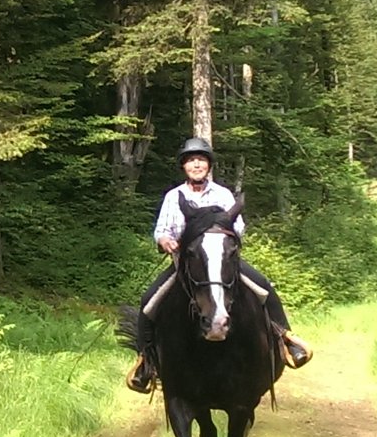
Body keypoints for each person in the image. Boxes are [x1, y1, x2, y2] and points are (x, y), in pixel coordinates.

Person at [126, 136, 312, 393]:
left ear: (209, 165)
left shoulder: (223, 194)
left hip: (223, 264)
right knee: (149, 301)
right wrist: (165, 241)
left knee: (264, 287)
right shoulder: (173, 197)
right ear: (184, 166)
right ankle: (145, 361)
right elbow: (161, 231)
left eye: (201, 160)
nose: (196, 165)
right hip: (187, 266)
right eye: (191, 161)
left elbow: (238, 229)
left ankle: (286, 339)